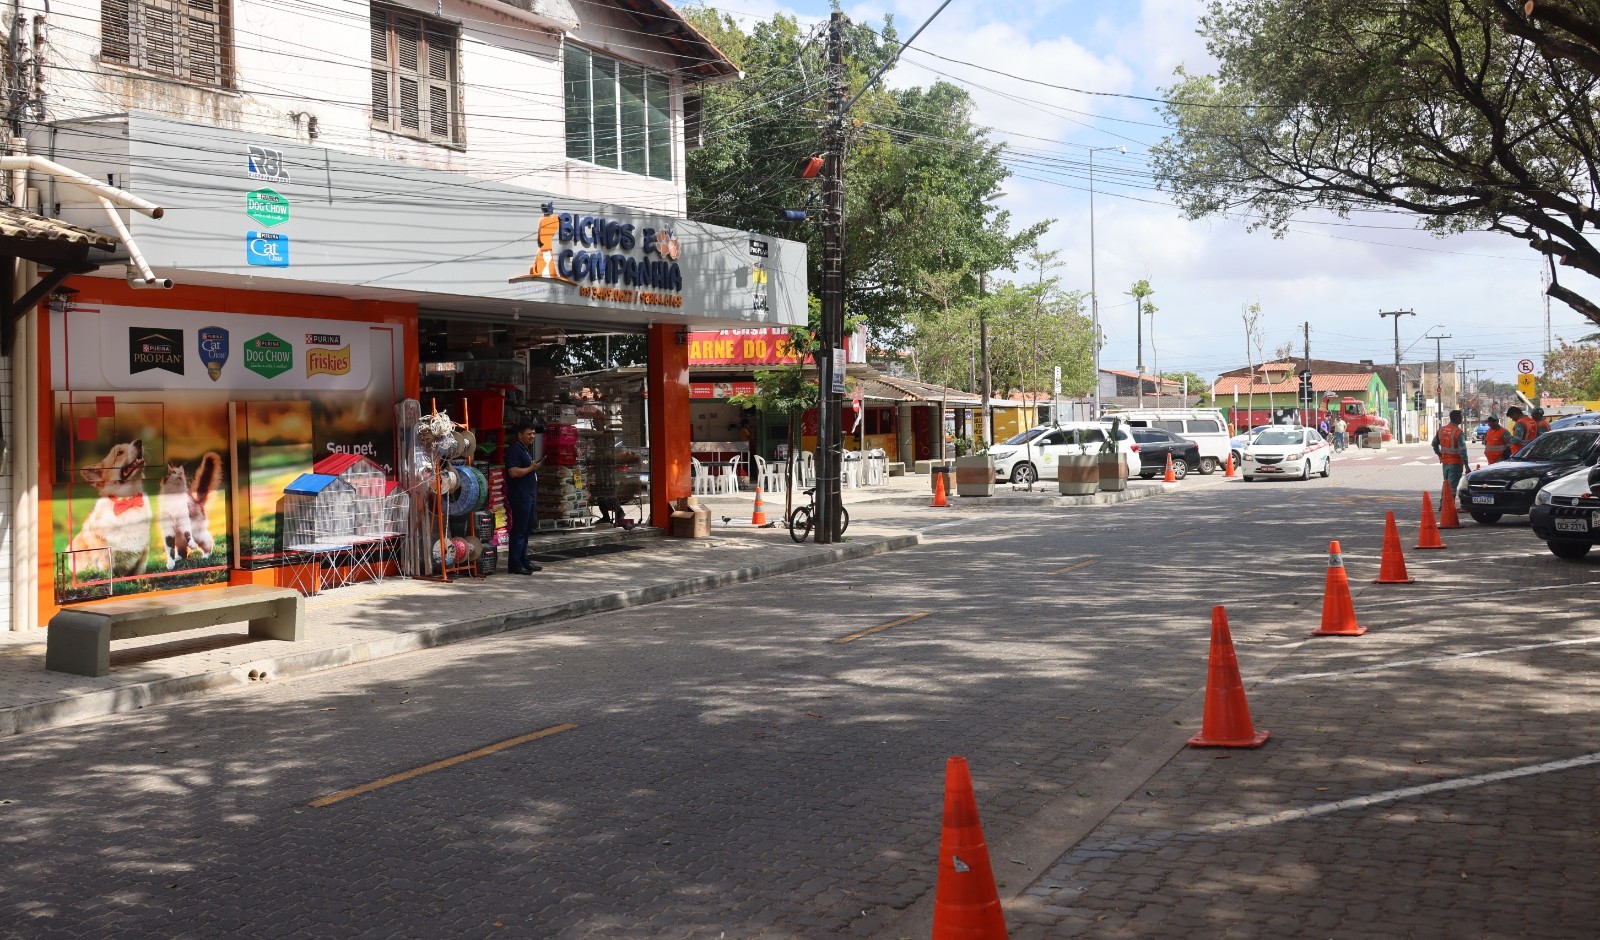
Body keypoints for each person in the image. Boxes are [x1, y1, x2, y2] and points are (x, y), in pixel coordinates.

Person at [504, 422, 543, 574]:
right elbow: (513, 472)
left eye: (533, 434)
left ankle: (523, 560)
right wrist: (531, 468)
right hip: (520, 496)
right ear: (520, 435)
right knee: (519, 530)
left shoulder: (525, 450)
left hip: (529, 495)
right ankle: (515, 564)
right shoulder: (515, 450)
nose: (532, 436)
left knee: (527, 530)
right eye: (529, 434)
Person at [1432, 409, 1468, 494]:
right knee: (1452, 487)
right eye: (1461, 417)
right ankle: (1448, 506)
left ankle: (1443, 506)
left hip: (1445, 463)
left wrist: (1440, 455)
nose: (1462, 419)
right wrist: (1467, 466)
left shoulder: (1441, 430)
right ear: (1457, 418)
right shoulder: (1458, 432)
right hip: (1455, 463)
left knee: (1446, 485)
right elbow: (1463, 451)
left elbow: (1434, 444)